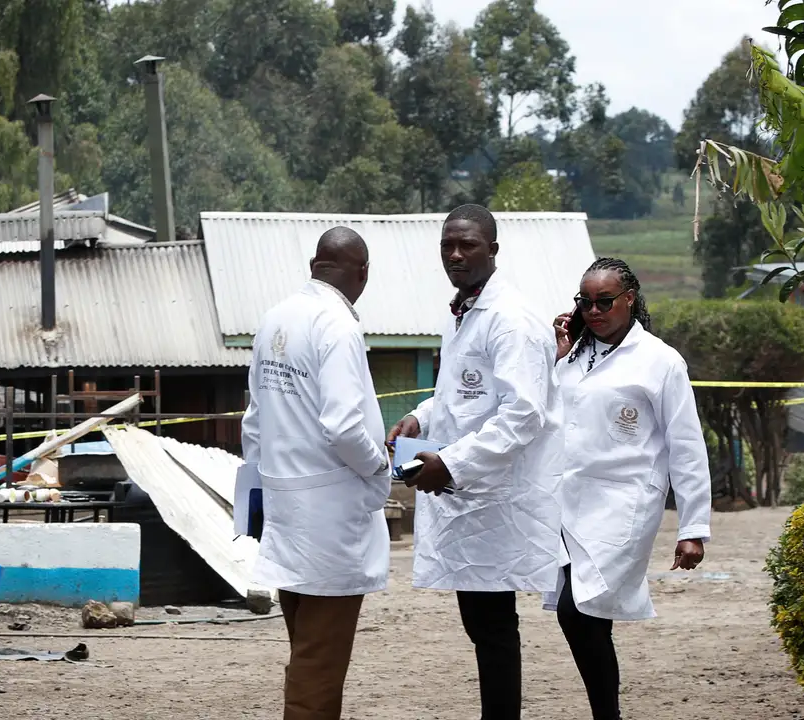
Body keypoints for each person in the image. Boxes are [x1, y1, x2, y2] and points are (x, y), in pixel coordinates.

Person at [386, 204, 564, 720]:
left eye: (468, 245)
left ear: (493, 250)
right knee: (484, 626)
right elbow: (462, 395)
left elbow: (522, 415)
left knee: (493, 628)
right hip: (467, 491)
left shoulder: (510, 320)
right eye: (448, 245)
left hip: (494, 496)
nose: (456, 254)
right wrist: (420, 418)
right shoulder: (462, 309)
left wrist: (453, 462)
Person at [545, 257, 712, 720]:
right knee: (590, 616)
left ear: (630, 300)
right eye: (585, 302)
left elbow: (687, 447)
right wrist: (554, 356)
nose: (594, 311)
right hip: (567, 503)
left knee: (576, 610)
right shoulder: (571, 357)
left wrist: (693, 527)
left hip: (624, 504)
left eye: (604, 301)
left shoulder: (660, 361)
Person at [239, 226, 392, 720]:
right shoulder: (337, 325)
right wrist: (381, 464)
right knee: (319, 663)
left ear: (314, 264)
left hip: (286, 507)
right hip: (328, 517)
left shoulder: (275, 318)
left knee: (306, 643)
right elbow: (345, 426)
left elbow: (254, 421)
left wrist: (264, 486)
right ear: (362, 274)